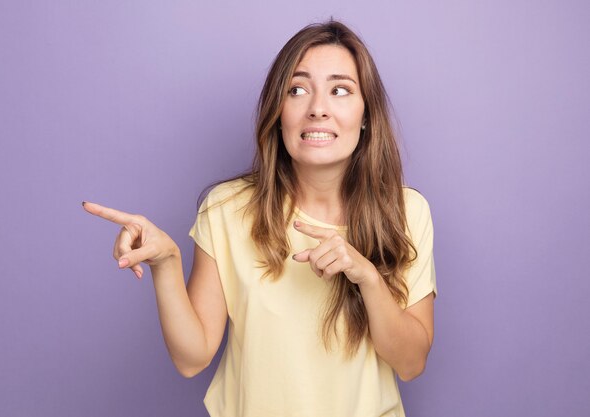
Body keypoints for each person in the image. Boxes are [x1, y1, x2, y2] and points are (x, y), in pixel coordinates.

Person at [83, 20, 436, 417]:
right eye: (297, 90)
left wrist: (368, 278)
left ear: (367, 114)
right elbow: (191, 358)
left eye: (340, 90)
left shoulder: (406, 212)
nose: (318, 108)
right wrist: (166, 265)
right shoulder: (226, 210)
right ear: (278, 111)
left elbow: (411, 363)